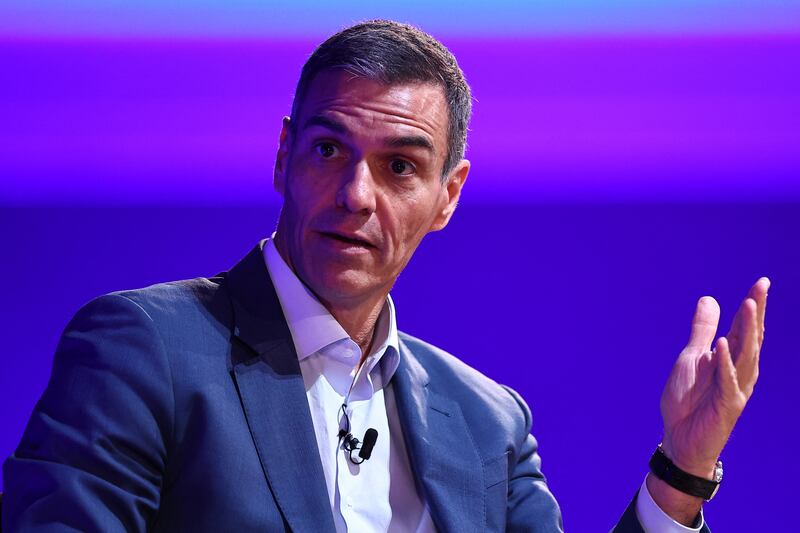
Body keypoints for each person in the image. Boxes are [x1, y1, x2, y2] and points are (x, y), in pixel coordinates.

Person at [3, 20, 769, 532]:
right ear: (284, 156)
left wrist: (682, 468)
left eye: (399, 166)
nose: (356, 196)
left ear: (448, 196)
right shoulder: (147, 349)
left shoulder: (488, 421)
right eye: (331, 151)